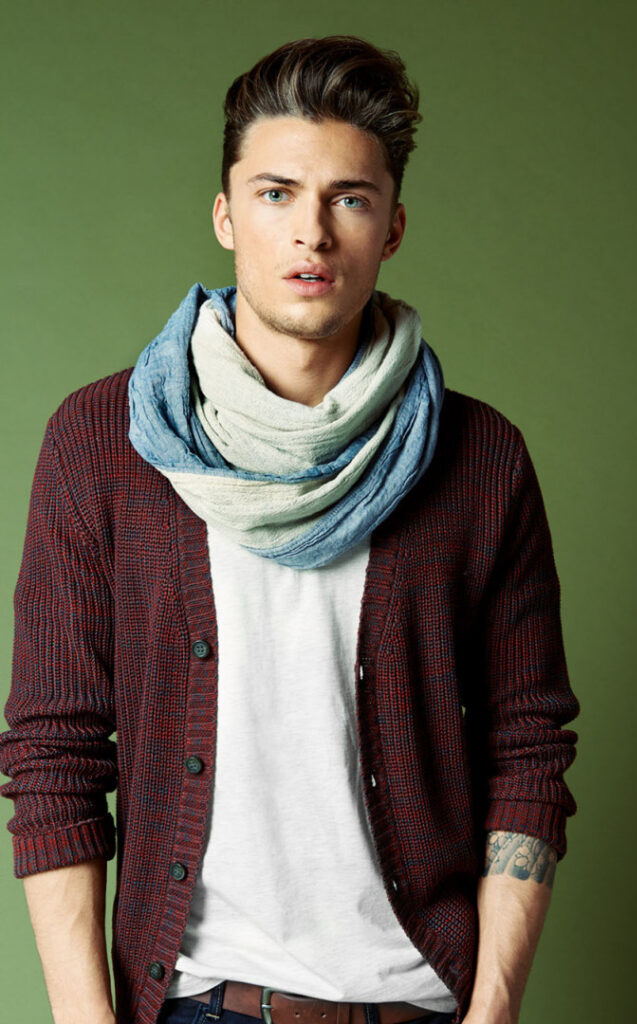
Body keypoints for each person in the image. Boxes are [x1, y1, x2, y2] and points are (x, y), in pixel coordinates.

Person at [0, 34, 580, 1024]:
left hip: (419, 1003)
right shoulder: (102, 444)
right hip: (196, 1003)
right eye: (276, 194)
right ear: (226, 214)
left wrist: (492, 1011)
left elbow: (528, 747)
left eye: (348, 199)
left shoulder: (479, 459)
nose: (311, 232)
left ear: (392, 227)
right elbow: (54, 751)